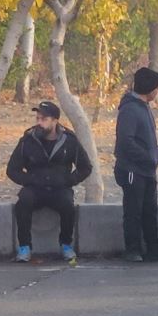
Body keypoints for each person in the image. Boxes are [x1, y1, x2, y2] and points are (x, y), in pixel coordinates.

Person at [7, 100, 93, 264]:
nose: (39, 122)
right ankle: (24, 247)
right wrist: (30, 180)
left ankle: (66, 245)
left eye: (44, 119)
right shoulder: (27, 140)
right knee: (23, 202)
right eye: (38, 118)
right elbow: (12, 170)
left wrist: (68, 181)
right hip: (35, 189)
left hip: (59, 189)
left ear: (55, 121)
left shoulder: (69, 140)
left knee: (68, 205)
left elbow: (85, 167)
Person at [114, 67, 158, 262]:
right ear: (149, 88)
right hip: (133, 170)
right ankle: (133, 248)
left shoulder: (144, 108)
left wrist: (155, 154)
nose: (157, 92)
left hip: (147, 170)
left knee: (149, 210)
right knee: (133, 211)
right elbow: (125, 141)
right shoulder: (130, 109)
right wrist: (147, 157)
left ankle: (153, 247)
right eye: (156, 88)